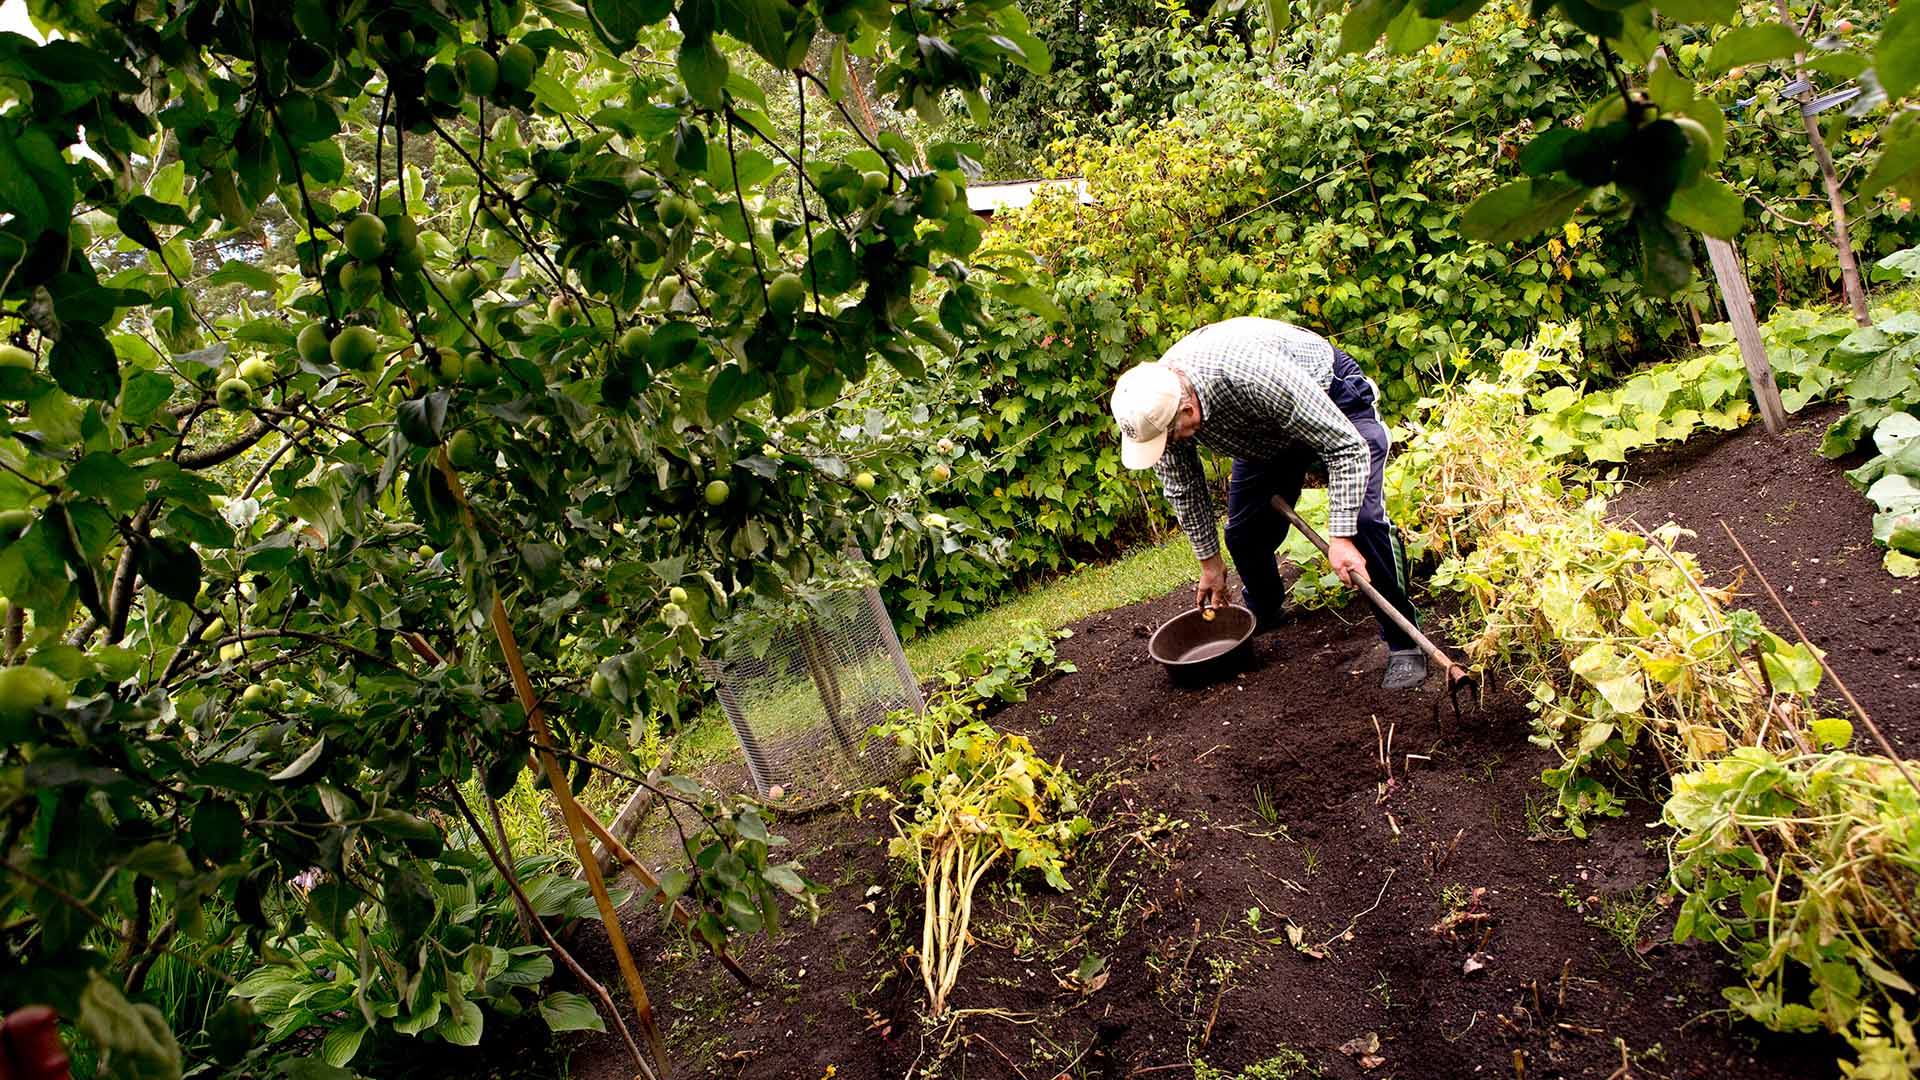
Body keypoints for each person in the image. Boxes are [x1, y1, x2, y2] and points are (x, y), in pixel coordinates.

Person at [1110, 316, 1427, 690]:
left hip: (1335, 401)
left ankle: (1405, 643)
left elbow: (1346, 447)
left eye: (1171, 438)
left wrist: (1340, 537)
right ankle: (1265, 608)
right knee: (1245, 534)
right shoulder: (1157, 406)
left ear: (1189, 412)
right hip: (1264, 432)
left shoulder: (1250, 374)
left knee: (1365, 523)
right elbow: (1183, 486)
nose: (1169, 446)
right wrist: (1209, 563)